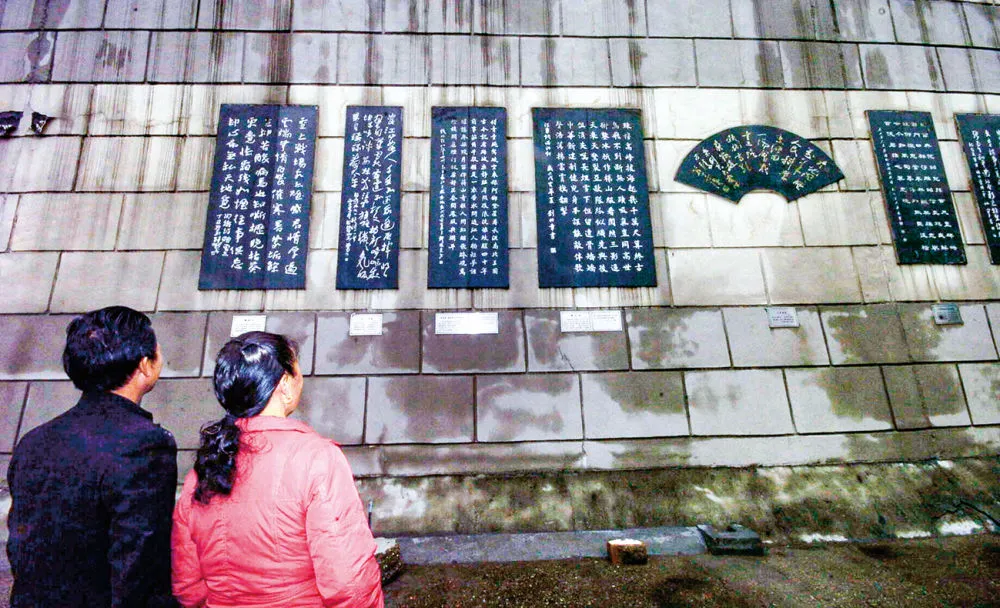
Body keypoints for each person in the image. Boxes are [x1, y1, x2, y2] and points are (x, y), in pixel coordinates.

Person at [171, 331, 384, 608]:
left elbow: (188, 586)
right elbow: (349, 582)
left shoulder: (204, 468)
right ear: (284, 384)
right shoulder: (317, 459)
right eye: (297, 369)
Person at [7, 306, 178, 607]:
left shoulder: (33, 442)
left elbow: (22, 550)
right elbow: (139, 565)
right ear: (144, 365)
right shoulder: (144, 445)